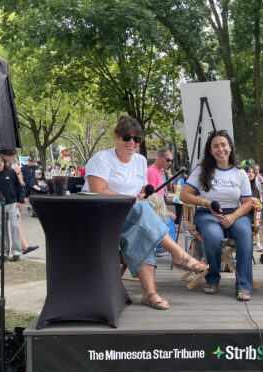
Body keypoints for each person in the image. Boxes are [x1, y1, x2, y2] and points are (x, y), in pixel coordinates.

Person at [82, 115, 207, 310]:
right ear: (117, 137)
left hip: (127, 217)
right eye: (126, 137)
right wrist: (133, 200)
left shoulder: (140, 161)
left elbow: (138, 192)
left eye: (137, 139)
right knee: (140, 210)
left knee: (141, 223)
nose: (132, 142)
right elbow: (98, 191)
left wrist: (140, 197)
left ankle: (150, 293)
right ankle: (178, 254)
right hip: (100, 217)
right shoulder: (102, 159)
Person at [180, 130, 254, 301]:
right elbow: (184, 195)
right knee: (213, 236)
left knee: (244, 235)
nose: (220, 149)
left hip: (235, 213)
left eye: (223, 145)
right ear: (210, 150)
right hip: (207, 213)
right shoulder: (202, 170)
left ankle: (244, 285)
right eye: (215, 146)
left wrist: (234, 216)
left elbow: (248, 202)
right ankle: (212, 278)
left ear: (230, 147)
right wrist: (207, 203)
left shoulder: (240, 173)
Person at [0, 153, 24, 261]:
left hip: (12, 203)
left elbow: (20, 187)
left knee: (14, 226)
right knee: (0, 230)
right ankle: (3, 252)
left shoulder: (11, 172)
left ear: (4, 162)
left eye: (1, 161)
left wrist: (20, 201)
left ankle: (16, 252)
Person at [244, 164, 263, 251]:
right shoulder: (242, 186)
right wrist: (251, 200)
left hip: (254, 212)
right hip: (243, 212)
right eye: (249, 172)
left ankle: (258, 243)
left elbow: (259, 200)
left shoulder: (255, 187)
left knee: (256, 226)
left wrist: (260, 210)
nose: (251, 174)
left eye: (252, 172)